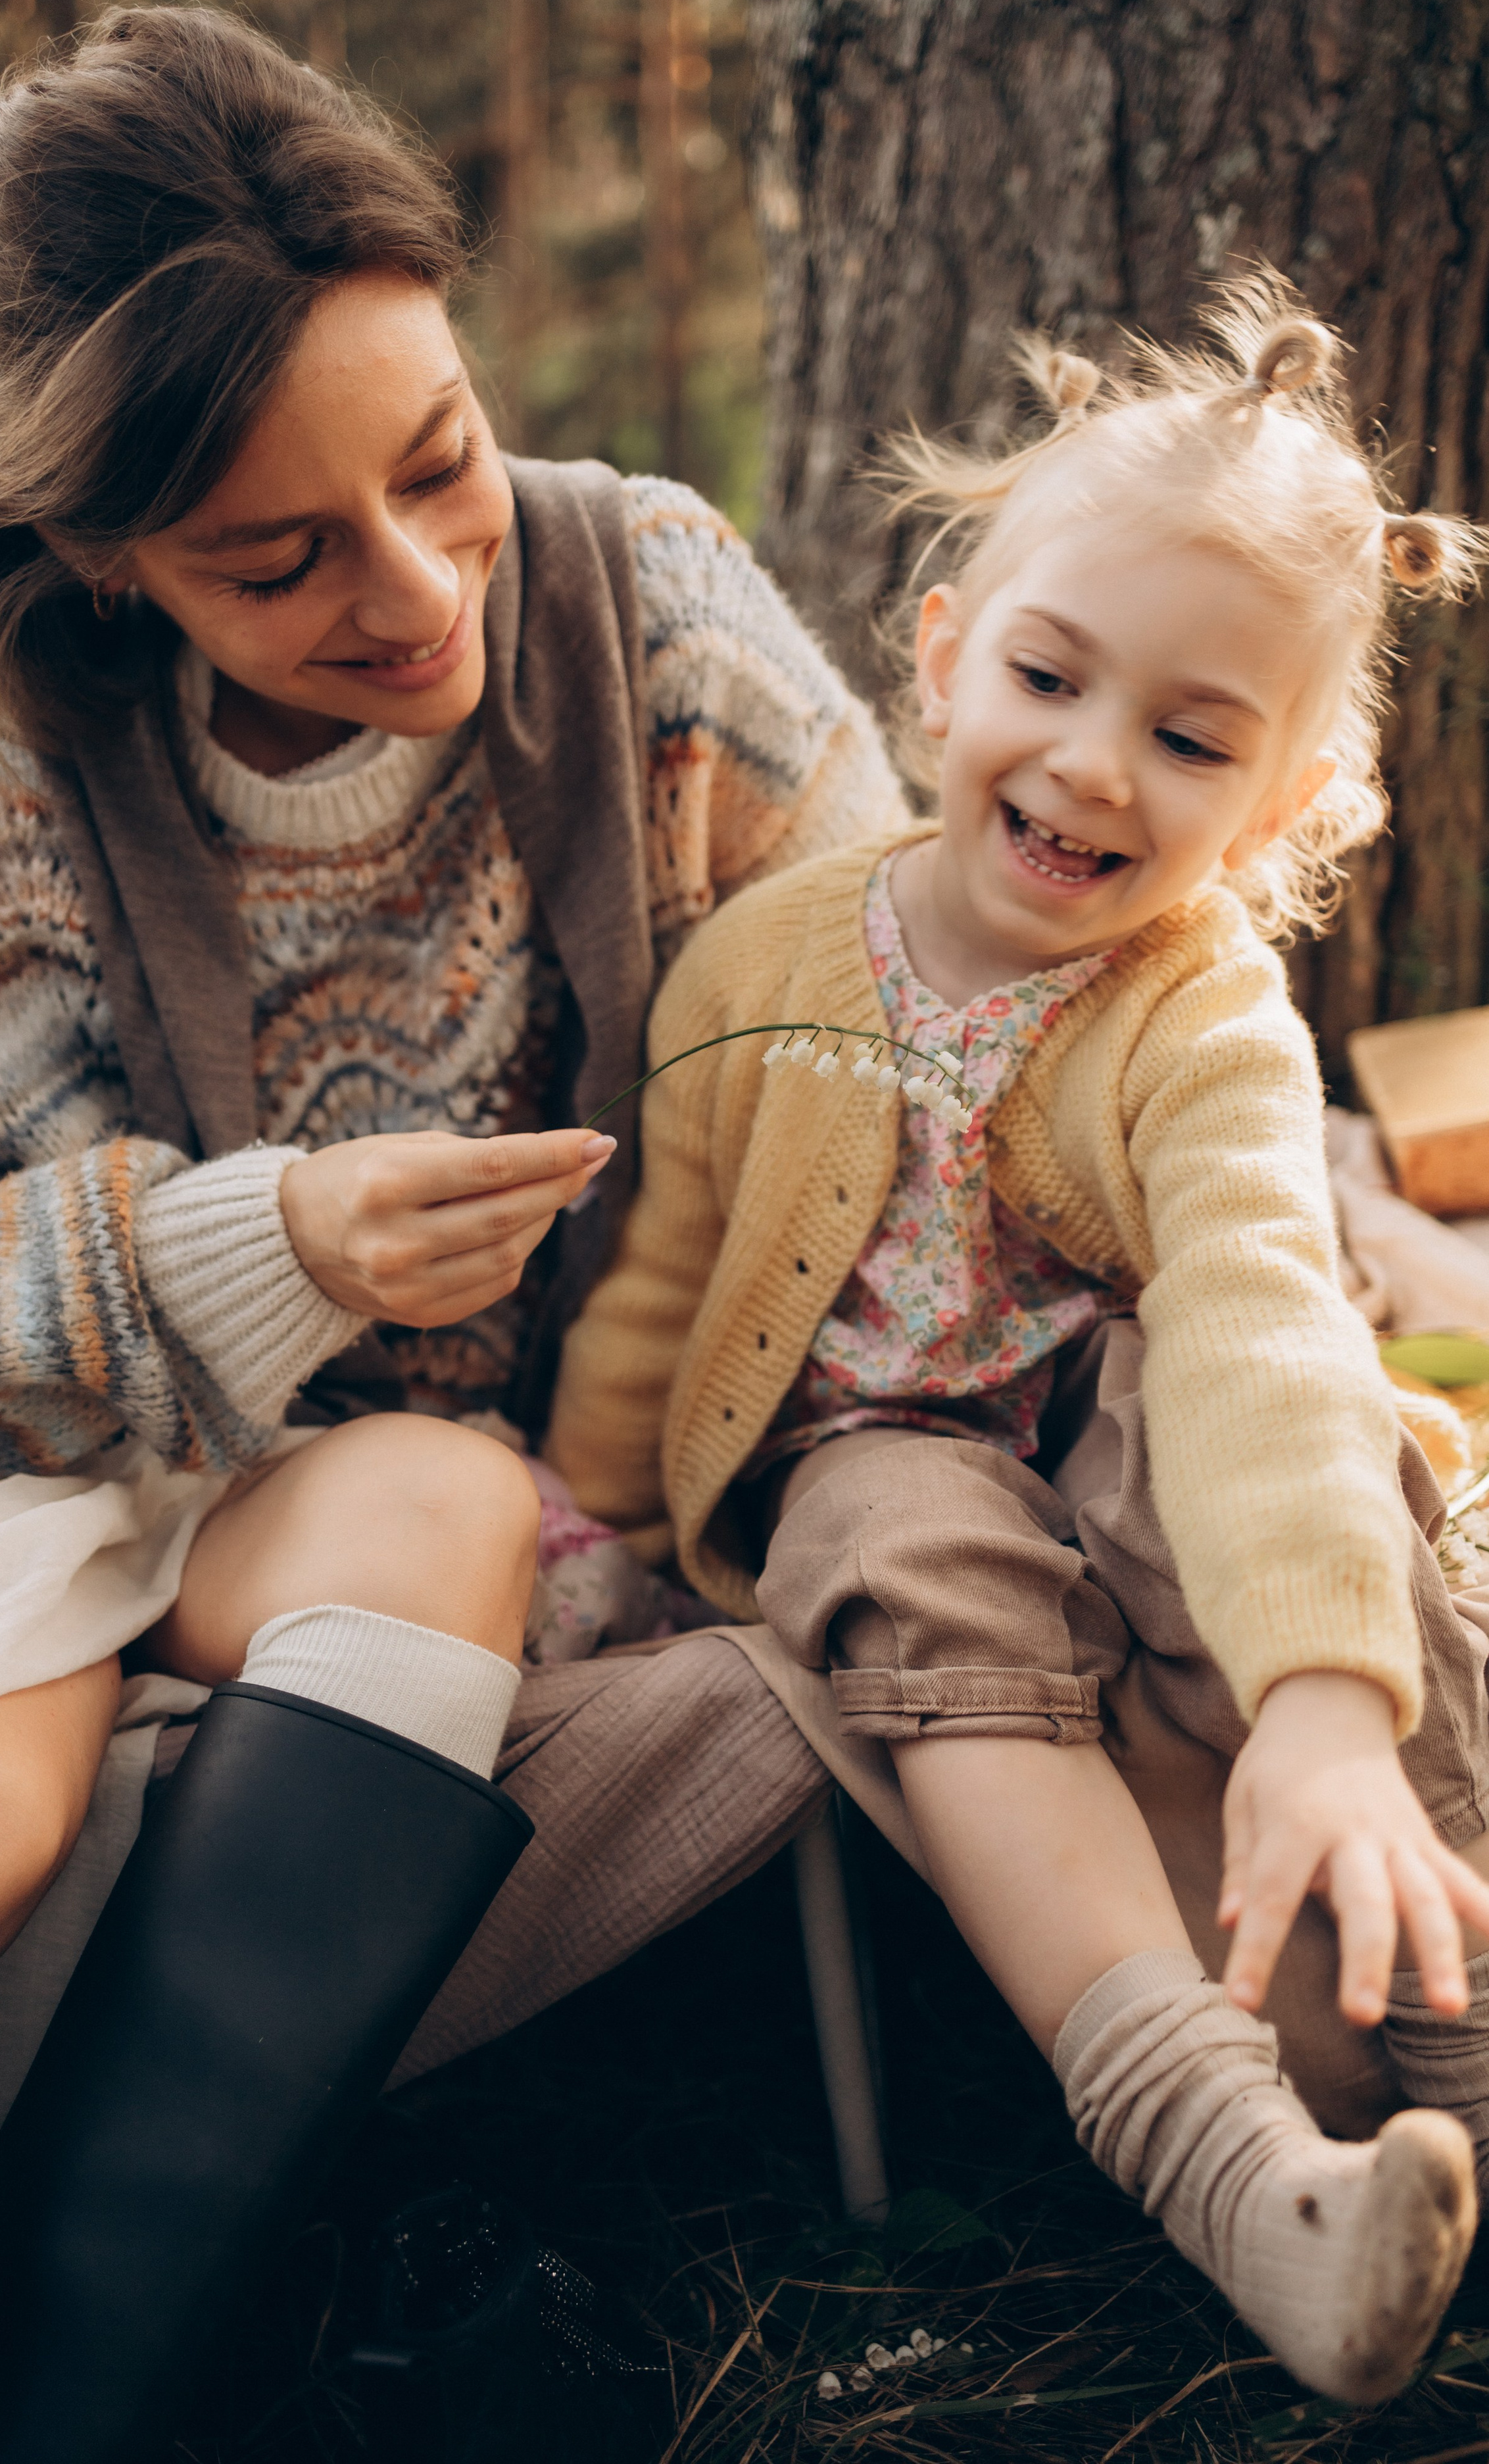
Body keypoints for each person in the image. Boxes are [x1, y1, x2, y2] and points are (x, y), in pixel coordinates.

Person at [0, 2, 904, 2458]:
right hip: (70, 1537)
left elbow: (919, 1038)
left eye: (440, 464)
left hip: (449, 1534)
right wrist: (251, 1243)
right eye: (274, 558)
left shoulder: (660, 627)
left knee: (427, 1493)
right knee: (267, 1593)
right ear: (100, 555)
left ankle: (19, 2401)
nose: (415, 594)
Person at [550, 276, 1489, 2405]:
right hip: (881, 1456)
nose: (1092, 766)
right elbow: (669, 1274)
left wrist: (1324, 1699)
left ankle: (1461, 2049)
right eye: (1053, 680)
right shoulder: (764, 961)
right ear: (950, 648)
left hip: (1141, 1431)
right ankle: (1239, 2173)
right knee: (898, 1528)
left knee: (1287, 1442)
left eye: (1190, 737)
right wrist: (589, 1521)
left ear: (1284, 799)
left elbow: (1252, 1308)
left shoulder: (1199, 1005)